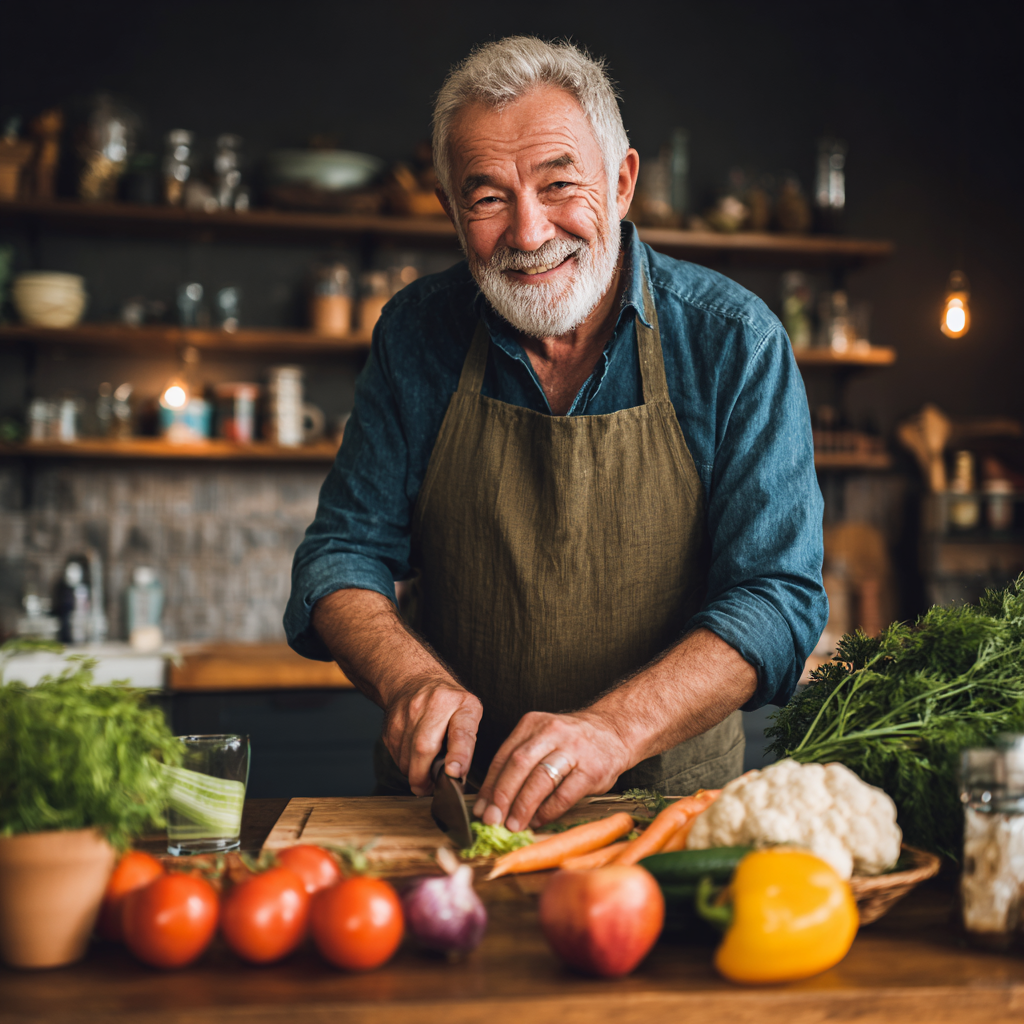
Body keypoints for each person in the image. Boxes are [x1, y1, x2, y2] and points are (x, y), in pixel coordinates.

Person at [285, 36, 827, 833]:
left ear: (621, 182)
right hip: (447, 814)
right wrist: (407, 680)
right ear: (450, 210)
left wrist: (612, 730)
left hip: (663, 821)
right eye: (488, 198)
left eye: (559, 185)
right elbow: (341, 553)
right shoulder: (416, 335)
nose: (530, 233)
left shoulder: (734, 341)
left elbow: (777, 599)